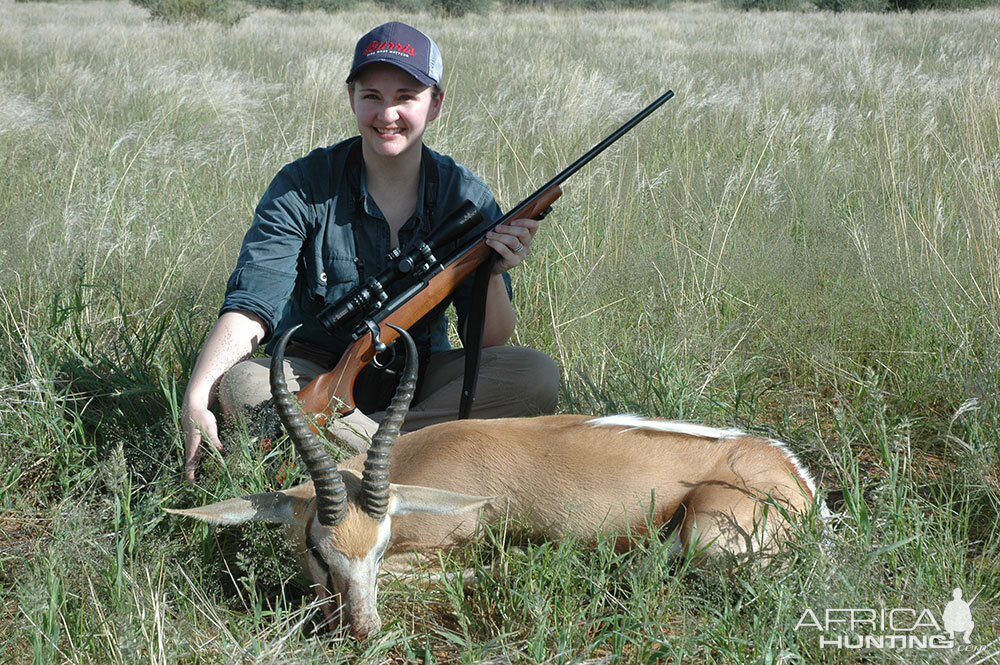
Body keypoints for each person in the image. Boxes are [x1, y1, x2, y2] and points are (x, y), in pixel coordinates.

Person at [182, 22, 560, 483]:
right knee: (244, 387)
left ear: (435, 104)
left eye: (406, 96)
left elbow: (489, 341)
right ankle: (423, 463)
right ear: (352, 99)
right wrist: (198, 393)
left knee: (535, 375)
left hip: (417, 378)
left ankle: (348, 456)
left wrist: (495, 270)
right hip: (312, 369)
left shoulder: (467, 198)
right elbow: (250, 307)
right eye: (372, 96)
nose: (388, 114)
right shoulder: (302, 185)